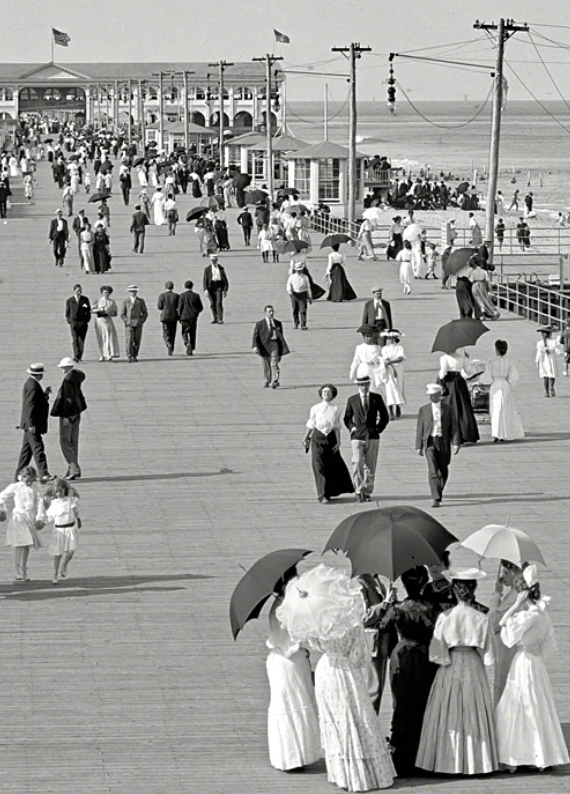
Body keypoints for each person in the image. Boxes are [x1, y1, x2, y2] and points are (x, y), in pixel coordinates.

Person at [305, 587, 396, 791]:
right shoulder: (353, 624)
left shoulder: (321, 622)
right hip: (346, 672)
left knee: (334, 720)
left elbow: (315, 644)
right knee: (355, 717)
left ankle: (341, 773)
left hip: (326, 670)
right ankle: (362, 772)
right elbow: (360, 657)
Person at [416, 568, 498, 776]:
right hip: (472, 663)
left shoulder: (445, 616)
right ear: (474, 589)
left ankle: (447, 761)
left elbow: (436, 652)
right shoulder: (481, 617)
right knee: (474, 709)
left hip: (450, 664)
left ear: (454, 589)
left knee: (447, 710)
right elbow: (489, 655)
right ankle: (477, 761)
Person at [495, 565, 569, 772]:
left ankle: (516, 756)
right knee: (537, 703)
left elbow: (504, 626)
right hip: (536, 662)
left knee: (519, 702)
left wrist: (514, 605)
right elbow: (547, 643)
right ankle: (538, 755)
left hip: (523, 661)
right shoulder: (542, 614)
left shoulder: (527, 616)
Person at [379, 567, 438, 777]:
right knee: (423, 705)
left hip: (401, 655)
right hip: (425, 656)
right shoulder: (432, 607)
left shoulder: (397, 608)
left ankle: (400, 758)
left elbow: (383, 626)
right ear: (423, 583)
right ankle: (421, 756)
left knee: (401, 704)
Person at [266, 566, 322, 773]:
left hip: (284, 659)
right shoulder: (284, 608)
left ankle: (294, 755)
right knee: (292, 704)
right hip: (289, 660)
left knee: (294, 703)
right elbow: (292, 640)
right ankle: (292, 756)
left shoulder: (280, 605)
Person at [302, 384, 354, 502]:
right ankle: (321, 494)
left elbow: (336, 426)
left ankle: (328, 491)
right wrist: (305, 438)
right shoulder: (315, 408)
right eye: (325, 392)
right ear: (321, 394)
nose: (327, 394)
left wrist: (339, 441)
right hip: (317, 438)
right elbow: (311, 424)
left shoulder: (335, 409)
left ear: (333, 395)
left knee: (330, 465)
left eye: (329, 392)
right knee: (318, 465)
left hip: (330, 438)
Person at [343, 374, 390, 502]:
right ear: (358, 385)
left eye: (365, 384)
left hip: (372, 436)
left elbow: (385, 416)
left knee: (370, 465)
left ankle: (367, 491)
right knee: (357, 462)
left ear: (369, 385)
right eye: (361, 385)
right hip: (357, 436)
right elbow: (347, 418)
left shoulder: (376, 398)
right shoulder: (352, 400)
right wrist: (352, 427)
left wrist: (378, 429)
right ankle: (358, 490)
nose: (363, 387)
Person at [415, 383, 460, 508]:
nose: (430, 398)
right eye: (429, 395)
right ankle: (436, 497)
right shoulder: (424, 410)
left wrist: (456, 443)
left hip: (443, 442)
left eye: (433, 395)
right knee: (433, 470)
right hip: (429, 442)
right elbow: (420, 428)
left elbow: (454, 427)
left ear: (439, 395)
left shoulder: (448, 409)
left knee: (443, 469)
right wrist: (418, 445)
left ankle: (438, 490)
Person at [0, 465, 46, 582]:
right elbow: (1, 497)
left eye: (31, 479)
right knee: (19, 543)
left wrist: (40, 517)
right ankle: (16, 569)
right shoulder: (16, 487)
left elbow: (40, 502)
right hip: (18, 517)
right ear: (21, 477)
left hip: (29, 518)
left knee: (27, 544)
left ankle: (24, 569)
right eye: (26, 479)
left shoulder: (36, 487)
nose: (29, 481)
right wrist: (3, 510)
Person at [488, 559, 522, 705]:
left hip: (507, 651)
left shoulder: (514, 598)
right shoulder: (517, 595)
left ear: (517, 574)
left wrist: (496, 594)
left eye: (506, 572)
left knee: (503, 688)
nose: (502, 576)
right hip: (511, 650)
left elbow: (492, 623)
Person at [479, 340, 524, 442]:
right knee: (505, 409)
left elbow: (488, 378)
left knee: (495, 410)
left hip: (495, 386)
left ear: (496, 349)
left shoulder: (491, 363)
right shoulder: (509, 363)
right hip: (505, 385)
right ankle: (504, 433)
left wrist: (481, 380)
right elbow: (513, 378)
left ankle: (496, 433)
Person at [16, 364, 54, 484]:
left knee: (26, 453)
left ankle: (18, 475)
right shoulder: (33, 385)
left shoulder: (31, 384)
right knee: (38, 448)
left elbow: (35, 402)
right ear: (38, 374)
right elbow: (30, 406)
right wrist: (31, 424)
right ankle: (44, 474)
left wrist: (45, 395)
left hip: (29, 424)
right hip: (32, 425)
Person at [50, 357, 87, 480]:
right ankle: (71, 468)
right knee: (73, 441)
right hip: (77, 412)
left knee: (65, 442)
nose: (61, 369)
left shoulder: (67, 380)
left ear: (67, 367)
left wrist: (65, 416)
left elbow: (67, 400)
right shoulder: (77, 376)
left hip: (68, 414)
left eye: (63, 367)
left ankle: (74, 468)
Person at [439, 348, 480, 444]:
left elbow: (442, 374)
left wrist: (440, 376)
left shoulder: (444, 358)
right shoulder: (462, 358)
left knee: (450, 407)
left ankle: (452, 435)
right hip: (460, 382)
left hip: (450, 383)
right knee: (463, 407)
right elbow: (469, 371)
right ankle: (467, 434)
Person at [45, 477, 81, 585]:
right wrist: (42, 522)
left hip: (70, 528)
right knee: (58, 553)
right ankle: (55, 574)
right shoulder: (54, 503)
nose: (58, 493)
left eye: (60, 491)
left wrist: (78, 519)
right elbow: (50, 517)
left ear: (65, 490)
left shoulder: (71, 501)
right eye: (56, 492)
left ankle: (64, 564)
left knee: (70, 551)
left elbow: (76, 511)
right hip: (59, 529)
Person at [252, 305, 289, 389]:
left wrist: (281, 348)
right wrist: (255, 346)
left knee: (274, 364)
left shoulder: (278, 323)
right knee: (266, 364)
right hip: (264, 346)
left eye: (272, 311)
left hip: (274, 345)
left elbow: (281, 336)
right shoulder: (260, 324)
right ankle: (267, 380)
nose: (271, 313)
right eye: (269, 311)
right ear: (265, 313)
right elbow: (255, 336)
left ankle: (275, 380)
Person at [349, 325, 386, 391]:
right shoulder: (359, 347)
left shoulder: (378, 348)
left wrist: (378, 362)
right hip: (363, 368)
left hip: (373, 369)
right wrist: (352, 371)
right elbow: (356, 360)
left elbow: (381, 359)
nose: (368, 338)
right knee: (362, 386)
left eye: (369, 336)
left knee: (372, 387)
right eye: (365, 336)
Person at [380, 330, 406, 419]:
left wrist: (390, 362)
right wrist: (390, 365)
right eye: (389, 338)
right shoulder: (384, 349)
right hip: (389, 370)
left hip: (399, 370)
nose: (390, 340)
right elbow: (385, 360)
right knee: (390, 389)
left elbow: (400, 358)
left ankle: (398, 406)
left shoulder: (399, 348)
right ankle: (390, 411)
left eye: (392, 338)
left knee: (399, 387)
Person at [120, 285, 148, 362]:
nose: (133, 293)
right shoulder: (126, 301)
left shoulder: (140, 301)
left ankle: (135, 355)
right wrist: (126, 321)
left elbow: (145, 313)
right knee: (129, 340)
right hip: (129, 324)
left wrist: (141, 321)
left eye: (134, 291)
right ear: (129, 292)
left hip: (138, 323)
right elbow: (122, 314)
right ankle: (129, 355)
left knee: (137, 340)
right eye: (131, 291)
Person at [92, 285, 120, 361]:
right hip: (99, 321)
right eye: (104, 292)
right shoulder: (97, 301)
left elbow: (115, 313)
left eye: (108, 293)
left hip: (108, 321)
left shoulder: (112, 302)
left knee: (108, 337)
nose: (106, 294)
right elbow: (91, 310)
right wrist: (99, 310)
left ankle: (109, 354)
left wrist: (109, 313)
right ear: (101, 293)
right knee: (101, 337)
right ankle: (102, 354)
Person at [65, 284, 91, 363]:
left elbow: (88, 310)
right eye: (77, 291)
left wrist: (87, 319)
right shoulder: (70, 300)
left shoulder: (85, 299)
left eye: (80, 291)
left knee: (81, 340)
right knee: (75, 339)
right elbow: (67, 312)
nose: (79, 292)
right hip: (74, 323)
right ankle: (76, 355)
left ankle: (80, 355)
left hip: (83, 322)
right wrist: (69, 321)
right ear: (74, 291)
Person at [176, 280, 204, 357]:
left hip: (184, 317)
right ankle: (192, 346)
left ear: (185, 286)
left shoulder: (182, 295)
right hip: (193, 317)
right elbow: (201, 307)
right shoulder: (196, 295)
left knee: (184, 332)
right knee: (193, 332)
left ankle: (187, 343)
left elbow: (180, 307)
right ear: (192, 286)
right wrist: (196, 313)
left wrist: (179, 317)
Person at [535, 325, 562, 397]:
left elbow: (538, 353)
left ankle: (546, 392)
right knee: (552, 374)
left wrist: (536, 361)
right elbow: (557, 350)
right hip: (551, 359)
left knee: (545, 376)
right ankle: (552, 387)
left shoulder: (540, 343)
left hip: (543, 360)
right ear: (550, 334)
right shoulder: (553, 342)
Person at [202, 254, 229, 325]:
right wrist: (205, 289)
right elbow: (205, 280)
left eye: (214, 260)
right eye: (212, 260)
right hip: (211, 286)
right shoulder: (207, 269)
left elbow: (225, 279)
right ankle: (215, 317)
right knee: (212, 303)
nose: (213, 262)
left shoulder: (221, 268)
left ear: (217, 260)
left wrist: (225, 289)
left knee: (219, 302)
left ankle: (220, 318)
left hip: (219, 286)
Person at [156, 281, 180, 356]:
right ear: (173, 287)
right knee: (173, 333)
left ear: (165, 287)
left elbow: (159, 306)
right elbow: (178, 306)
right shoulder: (176, 296)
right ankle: (171, 348)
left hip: (165, 317)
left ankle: (168, 343)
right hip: (173, 316)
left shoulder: (161, 296)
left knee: (165, 333)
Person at [286, 262, 312, 330]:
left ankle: (303, 324)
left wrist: (310, 297)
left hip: (303, 294)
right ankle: (296, 323)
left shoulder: (305, 277)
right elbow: (288, 286)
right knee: (295, 309)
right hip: (294, 294)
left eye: (300, 270)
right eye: (298, 270)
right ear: (295, 270)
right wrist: (290, 293)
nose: (299, 271)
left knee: (303, 310)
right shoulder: (292, 277)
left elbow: (308, 287)